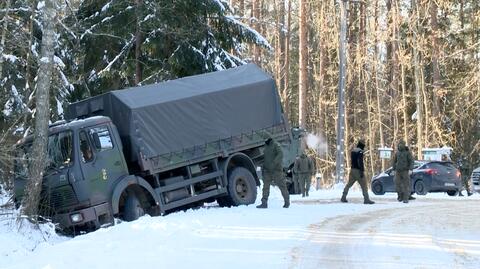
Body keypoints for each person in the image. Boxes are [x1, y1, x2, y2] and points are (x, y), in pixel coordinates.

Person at [257, 134, 290, 208]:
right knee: (265, 187)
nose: (265, 141)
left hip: (276, 170)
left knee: (282, 186)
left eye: (266, 139)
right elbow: (265, 157)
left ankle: (287, 201)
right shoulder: (266, 146)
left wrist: (274, 163)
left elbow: (280, 154)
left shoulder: (276, 145)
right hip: (267, 171)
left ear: (269, 139)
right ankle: (264, 203)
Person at [341, 139, 375, 204]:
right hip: (358, 171)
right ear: (362, 145)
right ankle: (366, 199)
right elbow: (360, 162)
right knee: (364, 185)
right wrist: (361, 171)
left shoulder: (353, 151)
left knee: (349, 184)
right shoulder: (360, 152)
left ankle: (343, 197)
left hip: (352, 170)